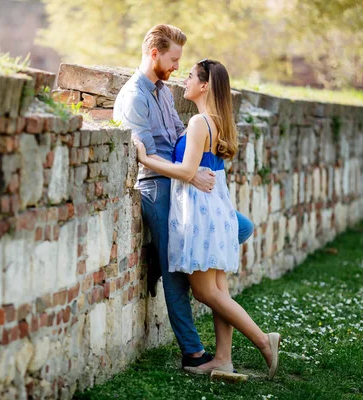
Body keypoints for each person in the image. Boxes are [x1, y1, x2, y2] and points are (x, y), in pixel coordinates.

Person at [113, 24, 255, 374]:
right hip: (158, 187)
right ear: (154, 54)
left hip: (183, 184)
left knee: (240, 227)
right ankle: (193, 353)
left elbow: (179, 132)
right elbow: (141, 150)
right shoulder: (135, 96)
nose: (177, 66)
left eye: (180, 61)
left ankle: (166, 255)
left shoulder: (162, 91)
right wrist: (191, 173)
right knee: (177, 275)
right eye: (173, 59)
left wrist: (197, 164)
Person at [133, 58, 281, 379]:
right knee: (219, 292)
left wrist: (146, 159)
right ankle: (223, 360)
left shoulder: (201, 122)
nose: (184, 80)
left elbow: (187, 172)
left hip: (201, 213)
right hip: (216, 209)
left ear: (204, 85)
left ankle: (263, 340)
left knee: (205, 292)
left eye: (189, 76)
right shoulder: (217, 121)